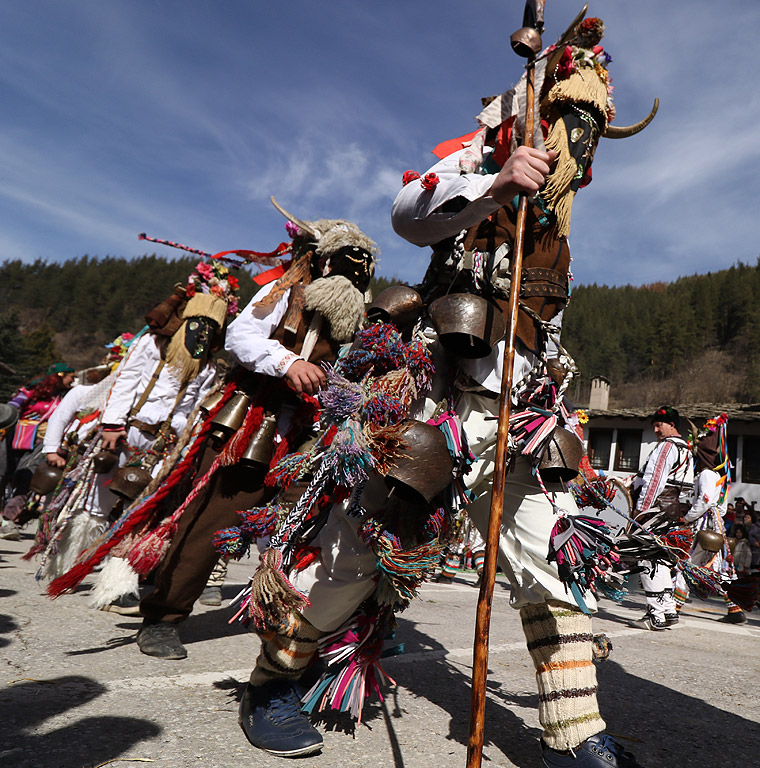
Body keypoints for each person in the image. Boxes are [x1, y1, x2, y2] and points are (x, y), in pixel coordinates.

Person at [391, 15, 652, 768]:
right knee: (362, 559)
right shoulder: (479, 164)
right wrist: (493, 184)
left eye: (594, 134)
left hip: (522, 418)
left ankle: (577, 739)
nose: (582, 144)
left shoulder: (561, 232)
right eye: (574, 123)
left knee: (555, 565)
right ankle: (279, 675)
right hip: (436, 402)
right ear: (537, 119)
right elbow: (407, 215)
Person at [133, 209, 378, 666]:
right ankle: (163, 617)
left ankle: (284, 616)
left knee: (303, 531)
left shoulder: (354, 322)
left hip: (308, 438)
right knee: (213, 523)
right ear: (322, 262)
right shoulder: (283, 293)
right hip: (252, 426)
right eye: (347, 263)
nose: (353, 277)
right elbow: (241, 338)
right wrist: (288, 363)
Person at [672, 414, 745, 624]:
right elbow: (720, 508)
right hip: (716, 525)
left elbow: (703, 502)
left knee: (688, 563)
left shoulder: (706, 474)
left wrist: (687, 518)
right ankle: (735, 608)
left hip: (703, 525)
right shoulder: (721, 476)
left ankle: (673, 607)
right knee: (720, 568)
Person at [629, 406, 693, 631]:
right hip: (674, 510)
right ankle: (668, 610)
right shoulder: (686, 449)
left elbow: (654, 481)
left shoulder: (666, 446)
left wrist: (641, 510)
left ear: (672, 425)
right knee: (663, 559)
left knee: (647, 557)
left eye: (659, 425)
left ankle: (655, 615)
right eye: (654, 425)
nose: (656, 429)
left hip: (657, 509)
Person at [0, 362, 75, 538]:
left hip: (41, 441)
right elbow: (13, 405)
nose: (73, 380)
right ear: (60, 375)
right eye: (71, 376)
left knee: (27, 477)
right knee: (2, 474)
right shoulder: (32, 390)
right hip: (14, 435)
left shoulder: (65, 397)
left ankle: (8, 520)